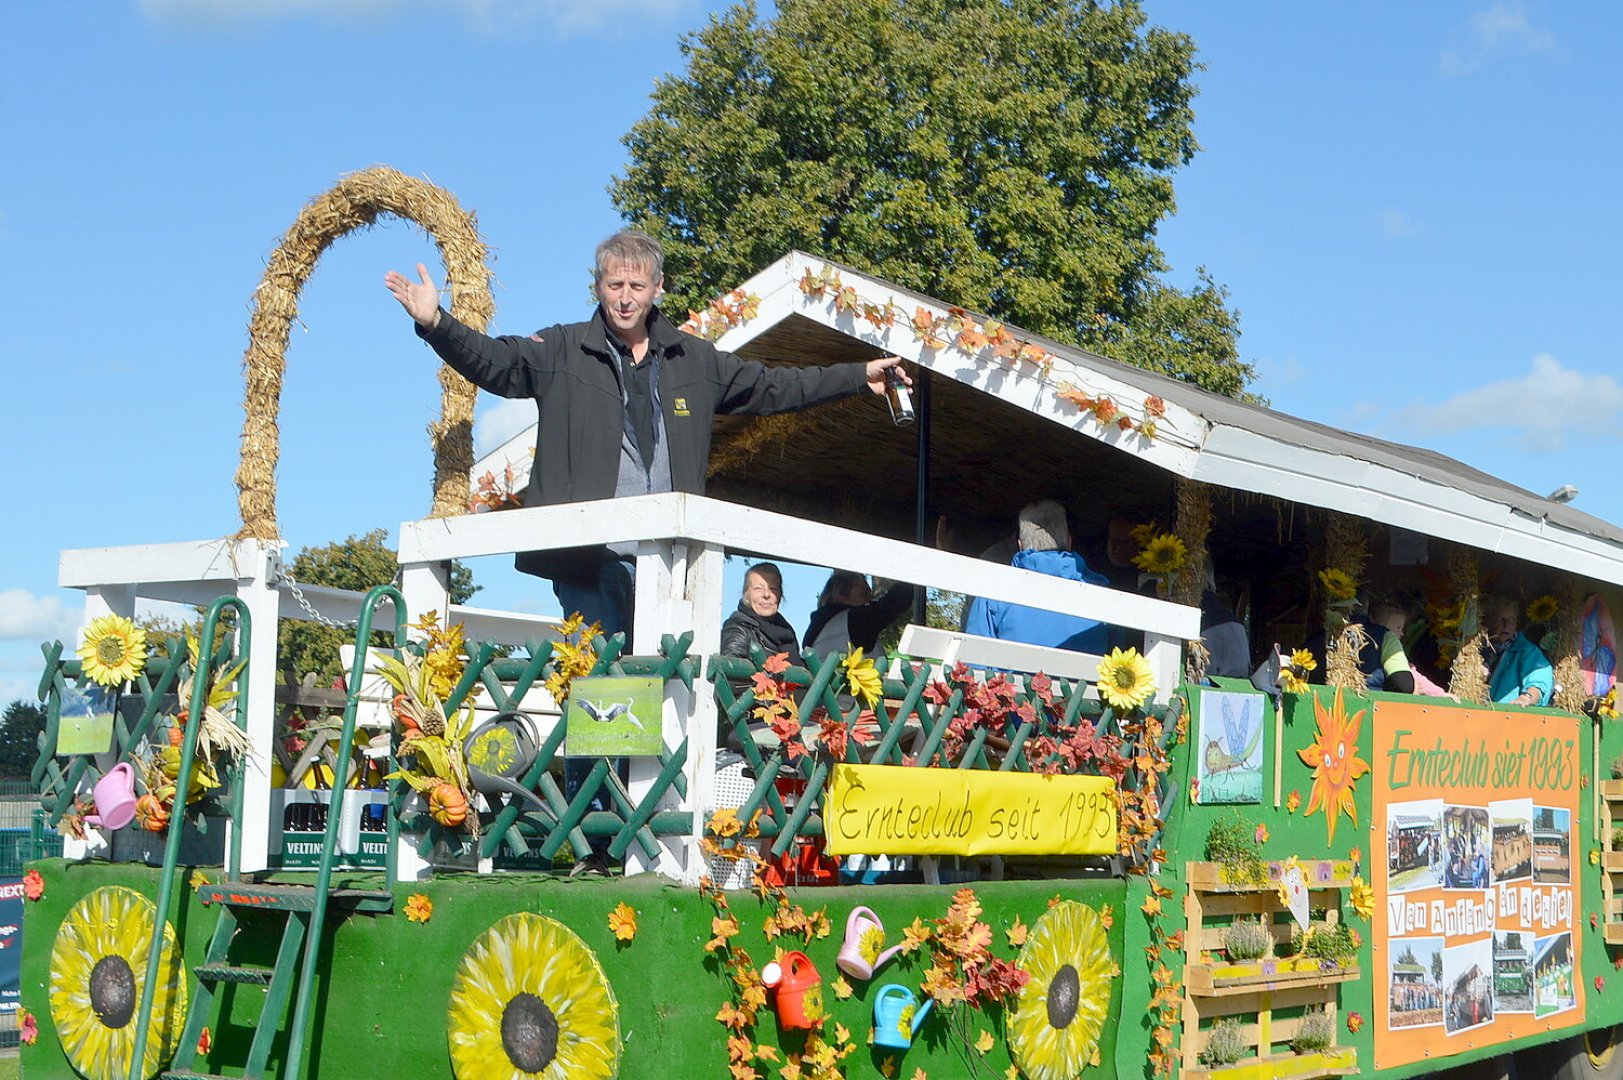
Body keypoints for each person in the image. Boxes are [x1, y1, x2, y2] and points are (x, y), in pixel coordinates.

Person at [386, 229, 910, 639]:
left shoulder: (695, 360)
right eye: (614, 285)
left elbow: (775, 386)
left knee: (663, 693)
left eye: (637, 286)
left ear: (658, 289)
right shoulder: (562, 349)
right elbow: (496, 363)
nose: (625, 298)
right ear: (598, 287)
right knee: (597, 693)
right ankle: (588, 782)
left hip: (670, 562)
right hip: (589, 561)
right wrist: (437, 323)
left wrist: (856, 375)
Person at [962, 501, 1110, 653]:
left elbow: (974, 657)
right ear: (1070, 542)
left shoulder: (993, 593)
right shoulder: (1105, 596)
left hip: (1012, 676)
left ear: (1020, 545)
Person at [803, 571, 918, 662]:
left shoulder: (820, 630)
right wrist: (915, 575)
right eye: (864, 594)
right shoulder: (854, 619)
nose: (870, 600)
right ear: (840, 597)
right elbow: (893, 603)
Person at [720, 563, 803, 666]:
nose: (766, 595)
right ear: (746, 594)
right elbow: (731, 673)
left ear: (780, 595)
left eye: (773, 589)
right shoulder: (738, 629)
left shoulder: (787, 632)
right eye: (758, 588)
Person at [1484, 597, 1554, 707]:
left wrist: (1527, 697)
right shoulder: (1477, 650)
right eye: (1501, 619)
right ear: (1488, 621)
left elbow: (1539, 681)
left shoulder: (1526, 651)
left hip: (1509, 717)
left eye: (1511, 620)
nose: (1506, 625)